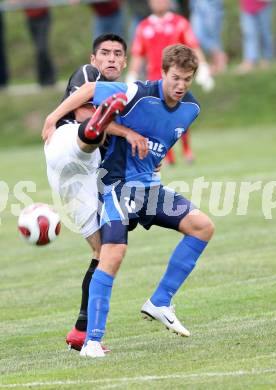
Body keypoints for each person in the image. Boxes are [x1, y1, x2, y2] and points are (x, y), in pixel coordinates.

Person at [44, 44, 215, 358]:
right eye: (175, 77)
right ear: (163, 72)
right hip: (117, 186)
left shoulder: (191, 109)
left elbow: (159, 140)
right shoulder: (138, 92)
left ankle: (160, 301)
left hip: (150, 189)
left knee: (202, 227)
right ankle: (91, 342)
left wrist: (153, 158)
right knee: (113, 253)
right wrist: (53, 118)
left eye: (187, 79)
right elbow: (90, 91)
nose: (180, 85)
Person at [42, 34, 148, 352]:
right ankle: (99, 123)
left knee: (103, 253)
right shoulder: (88, 76)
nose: (111, 58)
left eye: (118, 54)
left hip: (83, 179)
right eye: (105, 53)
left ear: (125, 62)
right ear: (93, 59)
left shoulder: (127, 94)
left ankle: (81, 331)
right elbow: (80, 114)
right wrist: (126, 131)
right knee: (85, 132)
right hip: (64, 144)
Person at [126, 0, 215, 165]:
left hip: (177, 78)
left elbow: (193, 46)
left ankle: (187, 150)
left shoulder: (179, 23)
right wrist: (131, 75)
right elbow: (138, 53)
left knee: (180, 115)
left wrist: (203, 67)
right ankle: (168, 155)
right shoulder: (144, 26)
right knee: (159, 119)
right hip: (154, 79)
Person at [189, 0, 228, 75]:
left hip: (211, 2)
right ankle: (219, 58)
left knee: (212, 33)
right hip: (195, 3)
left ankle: (218, 62)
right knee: (196, 36)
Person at [237, 0, 275, 73]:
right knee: (249, 34)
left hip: (264, 4)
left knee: (265, 33)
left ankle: (266, 58)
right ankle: (250, 61)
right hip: (247, 5)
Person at [24, 6, 56, 86]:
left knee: (42, 49)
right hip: (30, 18)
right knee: (39, 49)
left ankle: (49, 78)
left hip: (43, 16)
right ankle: (42, 79)